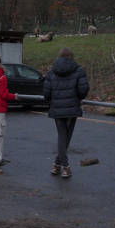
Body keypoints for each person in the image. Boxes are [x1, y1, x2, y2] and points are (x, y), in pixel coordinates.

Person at [43, 48, 90, 178]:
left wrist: (51, 100)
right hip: (72, 107)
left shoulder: (52, 72)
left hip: (57, 108)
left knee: (62, 136)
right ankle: (65, 166)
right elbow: (83, 89)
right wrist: (78, 97)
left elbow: (46, 93)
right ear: (71, 56)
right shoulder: (78, 70)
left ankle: (57, 165)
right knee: (66, 137)